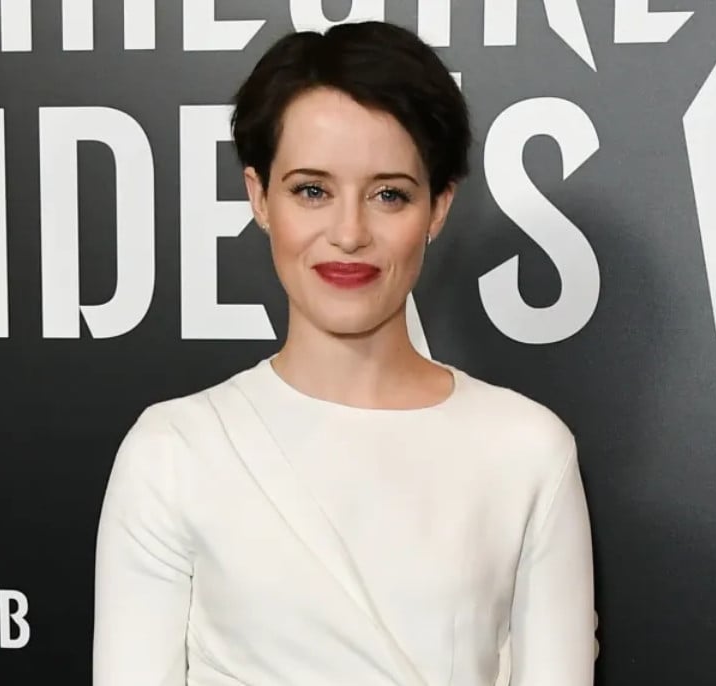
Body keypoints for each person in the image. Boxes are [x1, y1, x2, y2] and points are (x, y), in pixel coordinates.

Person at [92, 20, 596, 686]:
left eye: (390, 194)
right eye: (312, 190)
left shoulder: (527, 449)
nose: (350, 232)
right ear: (258, 196)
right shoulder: (173, 452)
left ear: (438, 207)